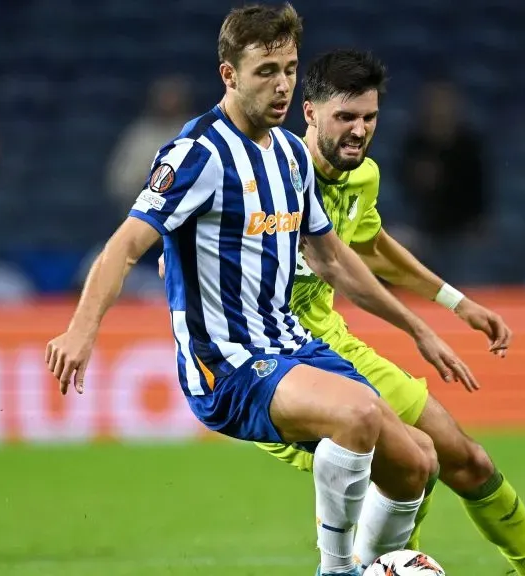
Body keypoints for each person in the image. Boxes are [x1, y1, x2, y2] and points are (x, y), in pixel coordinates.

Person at [44, 6, 476, 576]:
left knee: (417, 463)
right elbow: (124, 246)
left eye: (290, 69)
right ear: (229, 75)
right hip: (225, 362)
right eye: (266, 71)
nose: (282, 85)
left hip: (290, 345)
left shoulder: (293, 155)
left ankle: (373, 567)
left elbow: (330, 257)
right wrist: (81, 329)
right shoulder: (197, 155)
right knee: (358, 417)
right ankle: (337, 570)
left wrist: (417, 325)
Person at [162, 49, 525, 576]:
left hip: (336, 343)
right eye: (345, 118)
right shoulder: (273, 172)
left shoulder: (362, 177)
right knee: (403, 462)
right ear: (309, 113)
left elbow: (370, 245)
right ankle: (361, 566)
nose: (358, 131)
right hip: (277, 360)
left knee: (466, 460)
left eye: (369, 118)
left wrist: (455, 303)